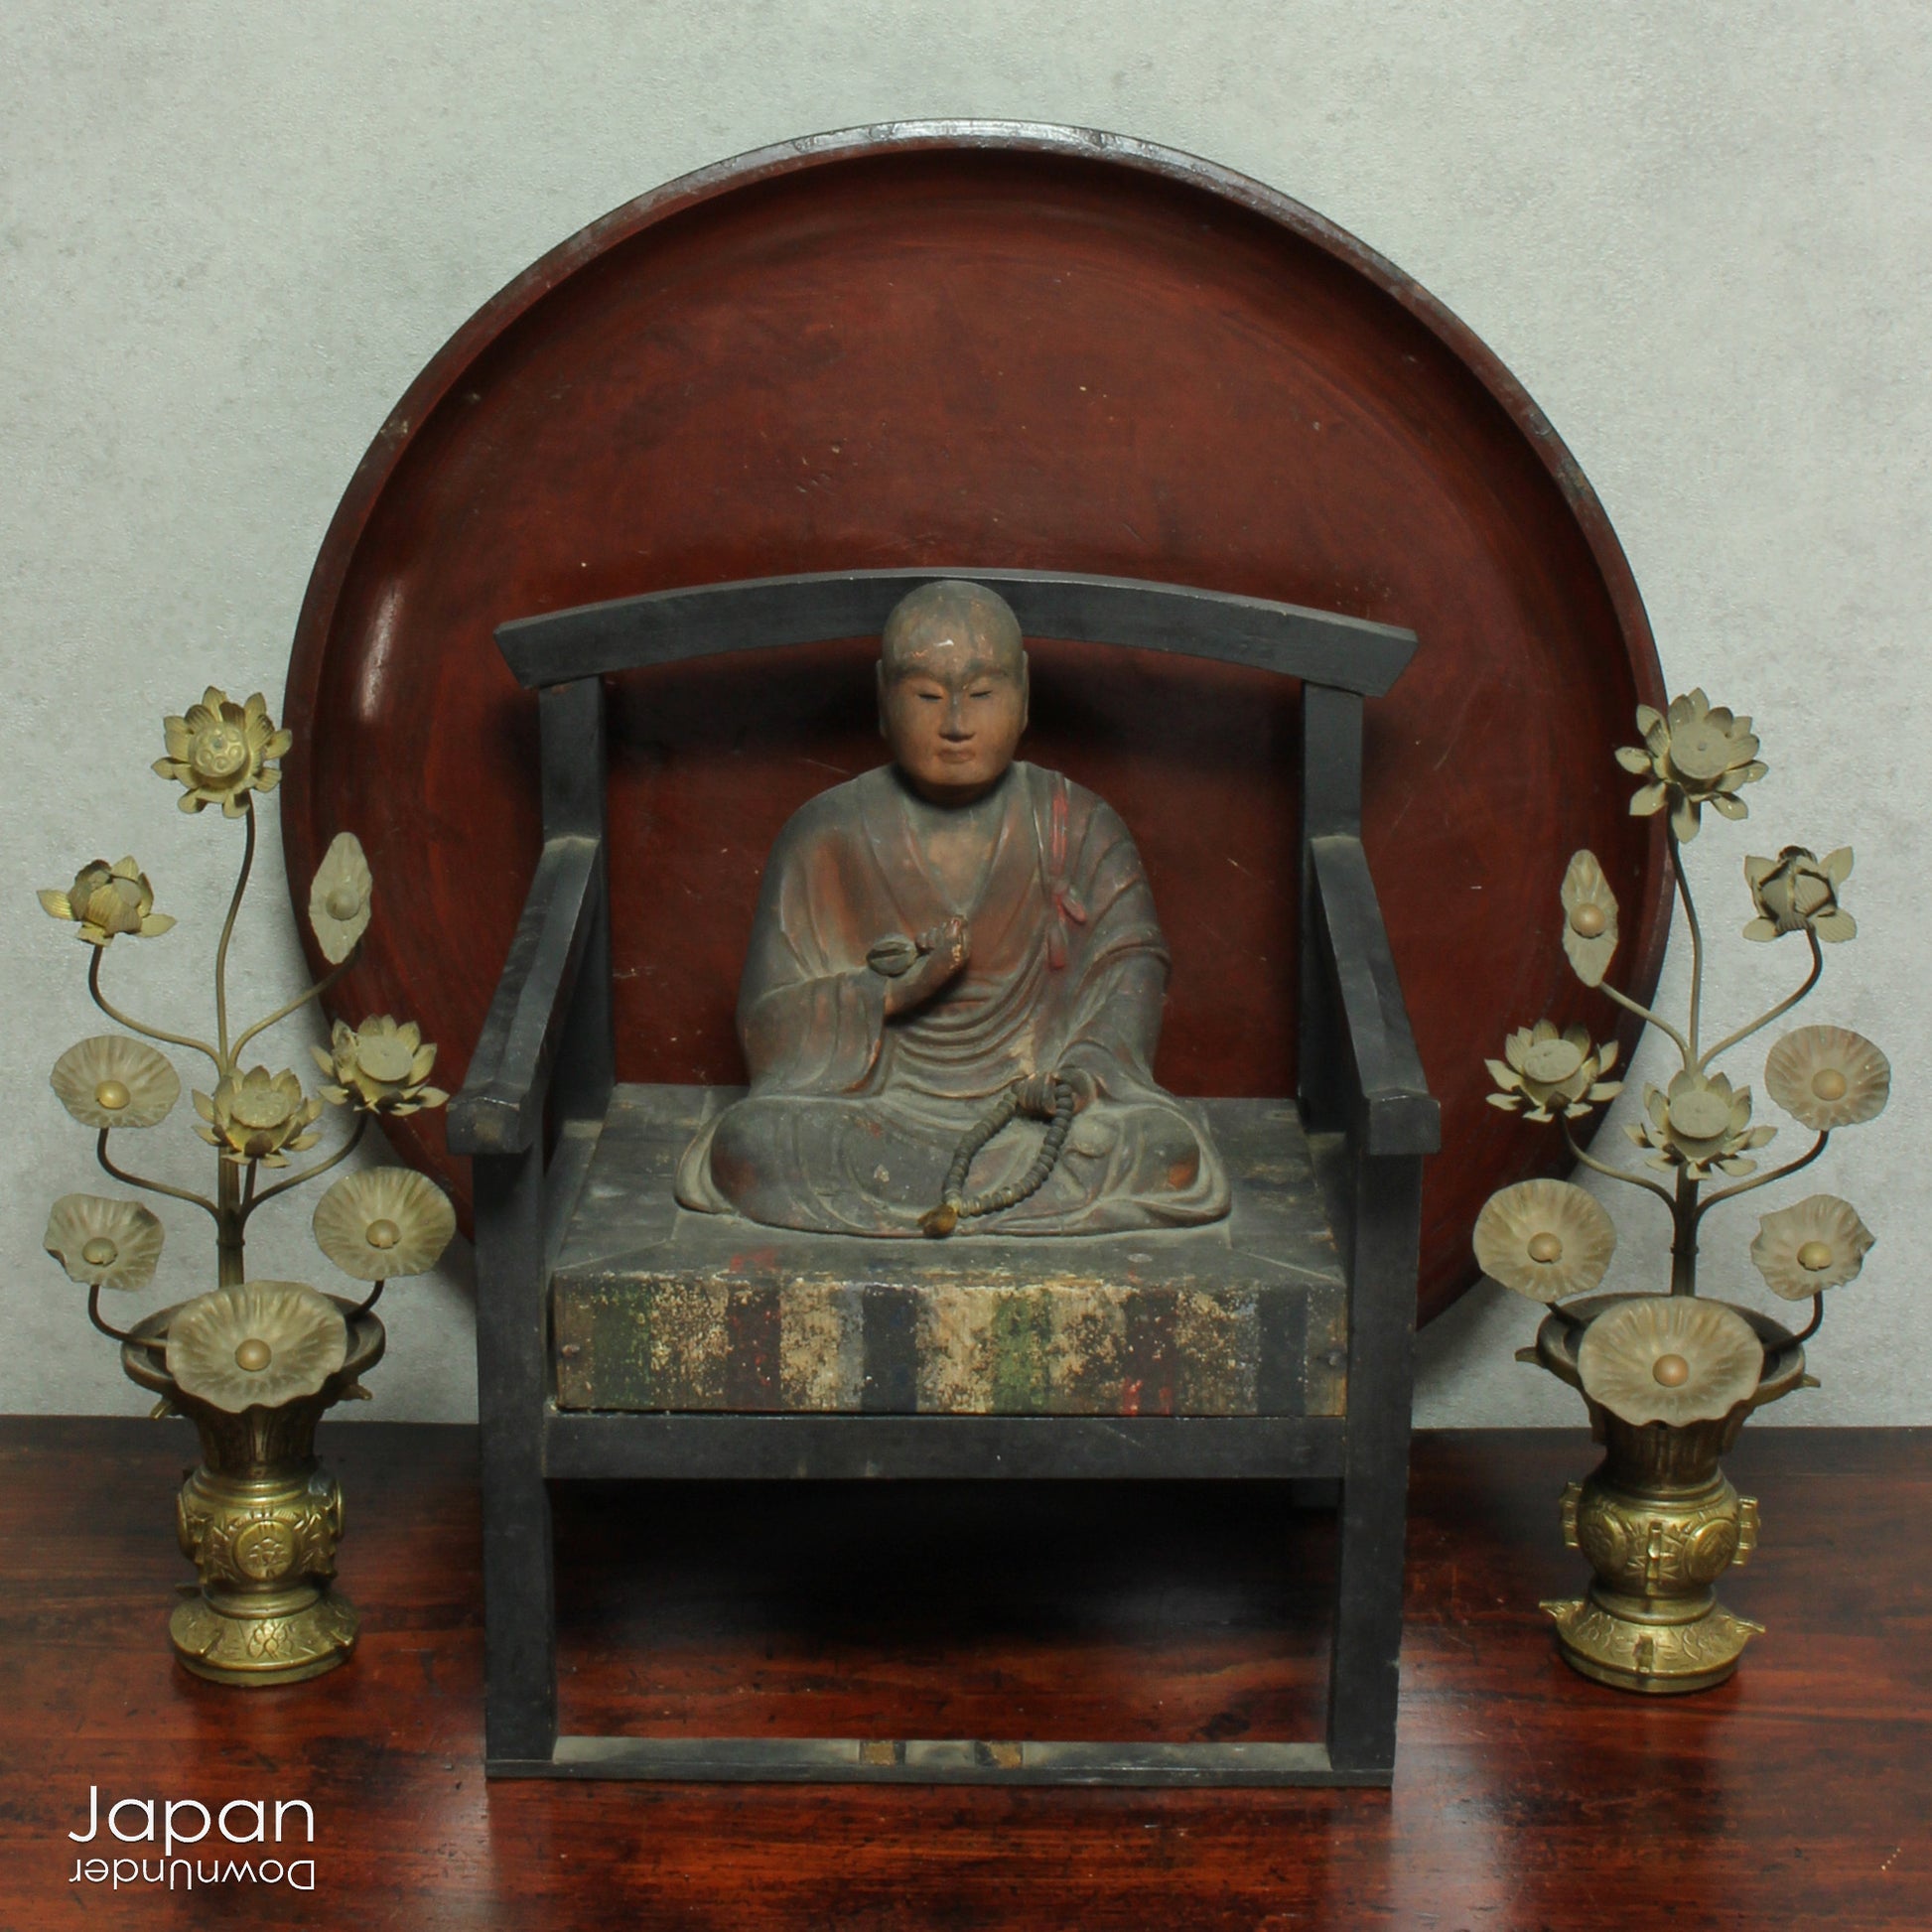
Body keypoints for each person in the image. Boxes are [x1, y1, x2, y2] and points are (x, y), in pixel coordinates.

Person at [675, 579, 1229, 1236]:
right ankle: (993, 1206)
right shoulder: (826, 834)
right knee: (754, 1144)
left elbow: (1128, 972)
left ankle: (952, 1202)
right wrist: (886, 995)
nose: (958, 723)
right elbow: (766, 1031)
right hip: (879, 1115)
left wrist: (1080, 1080)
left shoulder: (1078, 826)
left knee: (1163, 1150)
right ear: (884, 699)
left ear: (1024, 696)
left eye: (985, 692)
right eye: (928, 696)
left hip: (1031, 1121)